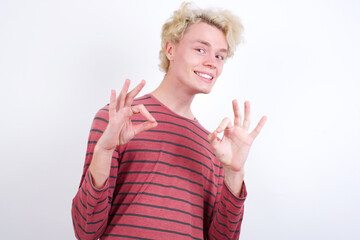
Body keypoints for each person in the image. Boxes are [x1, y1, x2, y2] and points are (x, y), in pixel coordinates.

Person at [71, 2, 267, 239]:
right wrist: (104, 149)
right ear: (170, 50)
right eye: (200, 50)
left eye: (219, 56)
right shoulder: (117, 121)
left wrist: (234, 173)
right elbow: (86, 231)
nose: (212, 63)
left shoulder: (216, 147)